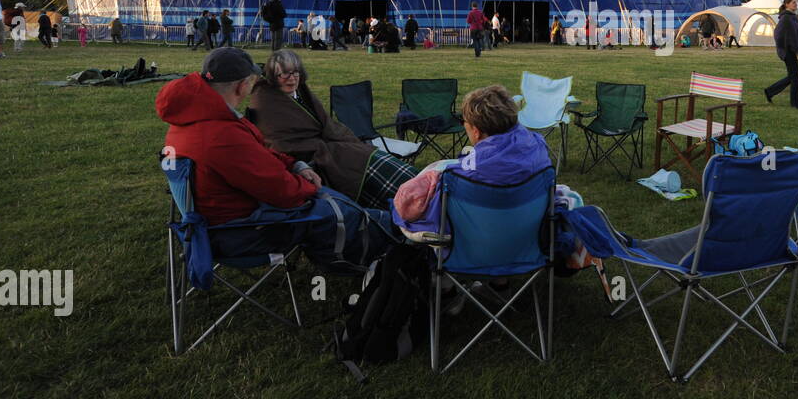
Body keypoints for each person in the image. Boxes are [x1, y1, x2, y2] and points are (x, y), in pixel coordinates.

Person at [157, 47, 394, 270]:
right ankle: (389, 249)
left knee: (336, 201)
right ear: (242, 86)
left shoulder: (193, 118)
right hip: (243, 231)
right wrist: (309, 186)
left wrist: (295, 164)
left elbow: (257, 154)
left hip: (216, 220)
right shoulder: (220, 134)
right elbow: (283, 192)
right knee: (341, 211)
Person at [250, 50, 419, 213]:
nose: (292, 78)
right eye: (284, 74)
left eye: (295, 73)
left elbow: (324, 123)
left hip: (335, 146)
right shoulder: (266, 102)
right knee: (366, 165)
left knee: (378, 160)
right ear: (273, 76)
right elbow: (280, 142)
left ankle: (424, 187)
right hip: (316, 157)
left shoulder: (300, 92)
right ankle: (412, 202)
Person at [392, 84, 552, 240]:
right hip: (527, 245)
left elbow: (412, 210)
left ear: (476, 131)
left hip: (470, 252)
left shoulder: (462, 178)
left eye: (464, 122)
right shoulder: (537, 147)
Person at [764, 0, 798, 109]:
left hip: (790, 50)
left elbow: (797, 34)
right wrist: (785, 47)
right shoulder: (786, 18)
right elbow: (778, 34)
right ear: (787, 4)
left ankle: (770, 91)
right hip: (787, 51)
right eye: (793, 2)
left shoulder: (792, 17)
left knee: (792, 76)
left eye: (796, 2)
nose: (796, 4)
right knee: (795, 77)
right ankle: (795, 104)